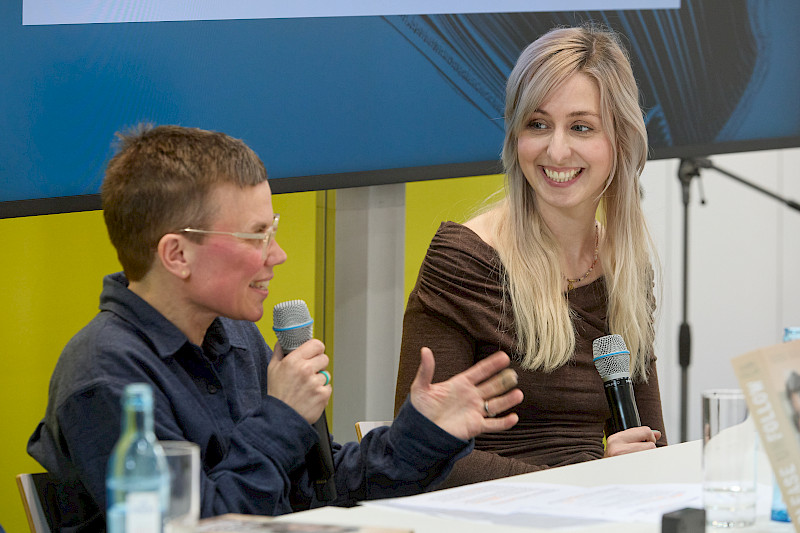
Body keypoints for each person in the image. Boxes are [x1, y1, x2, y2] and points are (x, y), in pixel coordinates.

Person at [27, 124, 524, 529]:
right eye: (256, 236)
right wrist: (282, 416)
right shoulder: (106, 380)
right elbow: (201, 526)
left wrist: (426, 432)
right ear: (176, 254)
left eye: (275, 230)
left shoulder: (235, 337)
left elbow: (327, 490)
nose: (278, 256)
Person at [394, 24, 667, 487]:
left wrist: (619, 471)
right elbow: (418, 454)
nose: (556, 150)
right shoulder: (463, 262)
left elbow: (651, 444)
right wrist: (589, 478)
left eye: (581, 127)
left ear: (619, 142)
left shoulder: (624, 269)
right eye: (537, 125)